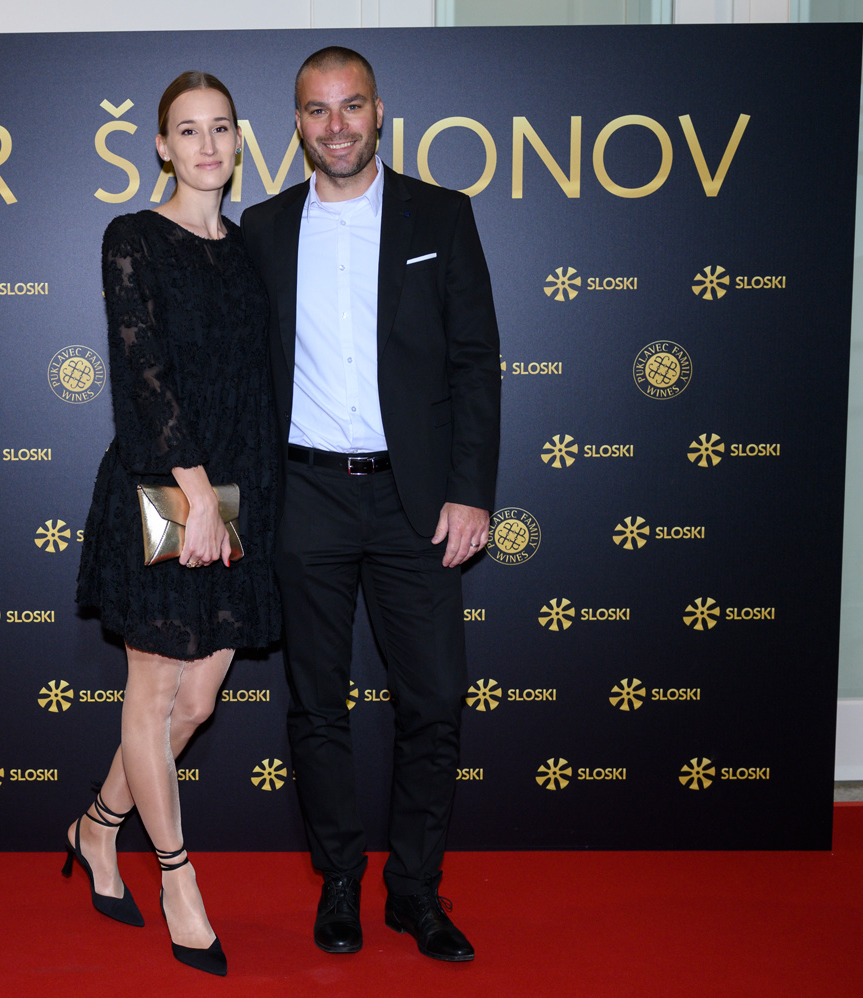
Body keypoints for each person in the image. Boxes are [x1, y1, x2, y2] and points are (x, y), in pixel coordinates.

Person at [240, 46, 501, 963]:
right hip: (304, 494)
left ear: (380, 112)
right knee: (318, 704)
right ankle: (340, 879)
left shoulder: (441, 214)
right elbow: (232, 373)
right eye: (317, 110)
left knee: (434, 701)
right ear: (297, 124)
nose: (337, 125)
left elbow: (475, 363)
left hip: (413, 500)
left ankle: (416, 890)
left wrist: (471, 492)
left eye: (351, 106)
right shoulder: (263, 229)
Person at [70, 71, 279, 978]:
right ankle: (177, 879)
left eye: (220, 128)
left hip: (241, 492)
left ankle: (95, 826)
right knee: (154, 696)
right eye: (188, 130)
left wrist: (237, 504)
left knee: (197, 704)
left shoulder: (252, 248)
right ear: (161, 146)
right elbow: (141, 375)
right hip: (163, 487)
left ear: (238, 140)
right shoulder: (132, 239)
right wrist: (194, 495)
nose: (206, 145)